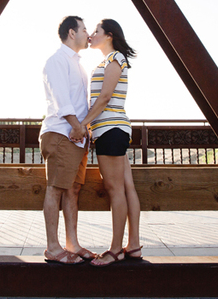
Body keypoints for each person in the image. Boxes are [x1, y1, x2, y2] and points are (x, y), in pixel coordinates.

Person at [78, 19, 142, 267]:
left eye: (97, 31)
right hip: (113, 129)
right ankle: (133, 245)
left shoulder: (115, 58)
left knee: (115, 190)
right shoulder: (110, 60)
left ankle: (115, 250)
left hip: (110, 129)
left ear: (109, 35)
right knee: (127, 187)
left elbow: (105, 97)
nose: (92, 35)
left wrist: (83, 124)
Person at [39, 15, 96, 264]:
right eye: (84, 29)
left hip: (77, 137)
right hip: (62, 133)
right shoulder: (57, 60)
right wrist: (76, 126)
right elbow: (62, 99)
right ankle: (53, 248)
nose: (88, 34)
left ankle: (72, 244)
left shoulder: (77, 64)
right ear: (72, 33)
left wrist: (84, 131)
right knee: (56, 188)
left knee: (73, 189)